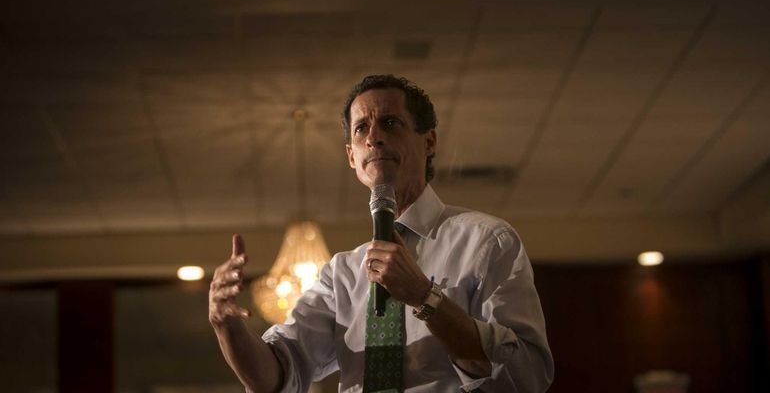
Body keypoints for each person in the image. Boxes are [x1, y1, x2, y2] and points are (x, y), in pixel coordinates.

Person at [209, 75, 554, 392]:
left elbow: (528, 375)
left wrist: (424, 297)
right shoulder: (341, 274)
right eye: (361, 129)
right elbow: (276, 375)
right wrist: (226, 327)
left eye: (390, 123)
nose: (373, 137)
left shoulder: (487, 241)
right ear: (351, 156)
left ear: (429, 141)